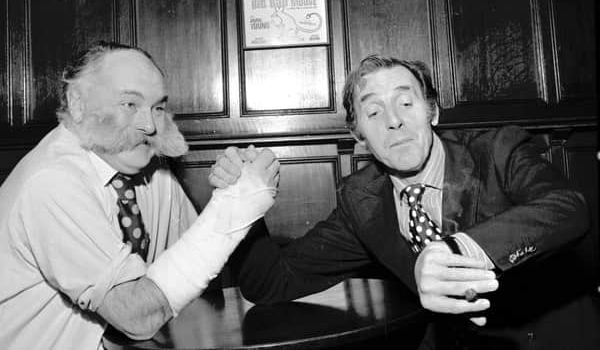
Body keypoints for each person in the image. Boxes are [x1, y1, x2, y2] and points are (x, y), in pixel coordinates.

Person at [210, 56, 600, 349]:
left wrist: (458, 250)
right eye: (373, 111)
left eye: (406, 103)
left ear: (432, 112)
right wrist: (241, 202)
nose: (393, 121)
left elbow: (568, 207)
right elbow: (271, 281)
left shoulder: (497, 151)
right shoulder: (362, 202)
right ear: (358, 135)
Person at [0, 41, 279, 349]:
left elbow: (196, 275)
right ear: (78, 104)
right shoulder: (51, 181)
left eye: (158, 107)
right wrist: (233, 210)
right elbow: (136, 316)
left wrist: (234, 187)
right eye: (130, 104)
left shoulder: (155, 174)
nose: (150, 125)